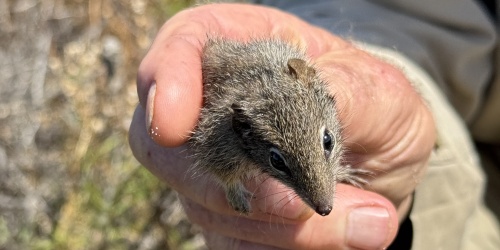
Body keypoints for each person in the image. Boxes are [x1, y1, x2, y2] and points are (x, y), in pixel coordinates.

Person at [129, 1, 500, 249]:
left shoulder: (306, 83)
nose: (323, 201)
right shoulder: (231, 134)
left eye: (326, 142)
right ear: (244, 134)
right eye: (277, 161)